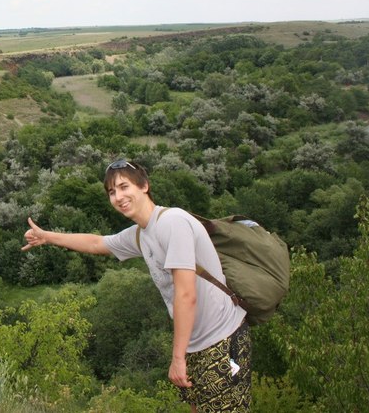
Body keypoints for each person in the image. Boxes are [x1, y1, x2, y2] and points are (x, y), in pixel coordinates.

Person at [22, 158, 251, 412]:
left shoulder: (172, 222)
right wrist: (47, 237)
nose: (118, 196)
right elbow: (99, 243)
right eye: (112, 191)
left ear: (144, 186)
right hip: (193, 344)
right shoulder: (142, 234)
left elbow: (187, 295)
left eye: (124, 187)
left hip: (222, 339)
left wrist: (176, 358)